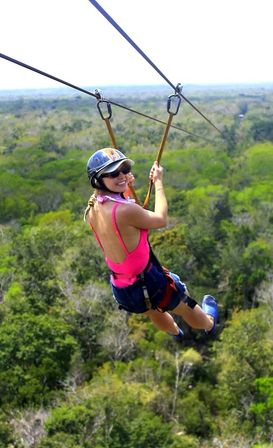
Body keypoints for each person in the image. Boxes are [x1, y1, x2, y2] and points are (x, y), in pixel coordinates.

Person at [84, 147, 218, 341]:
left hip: (122, 286)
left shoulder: (92, 208)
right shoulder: (124, 211)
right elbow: (160, 219)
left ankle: (175, 333)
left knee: (152, 311)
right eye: (113, 173)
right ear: (99, 179)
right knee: (184, 305)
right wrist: (159, 182)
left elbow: (115, 203)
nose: (122, 175)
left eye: (124, 168)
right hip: (149, 281)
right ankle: (209, 324)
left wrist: (123, 184)